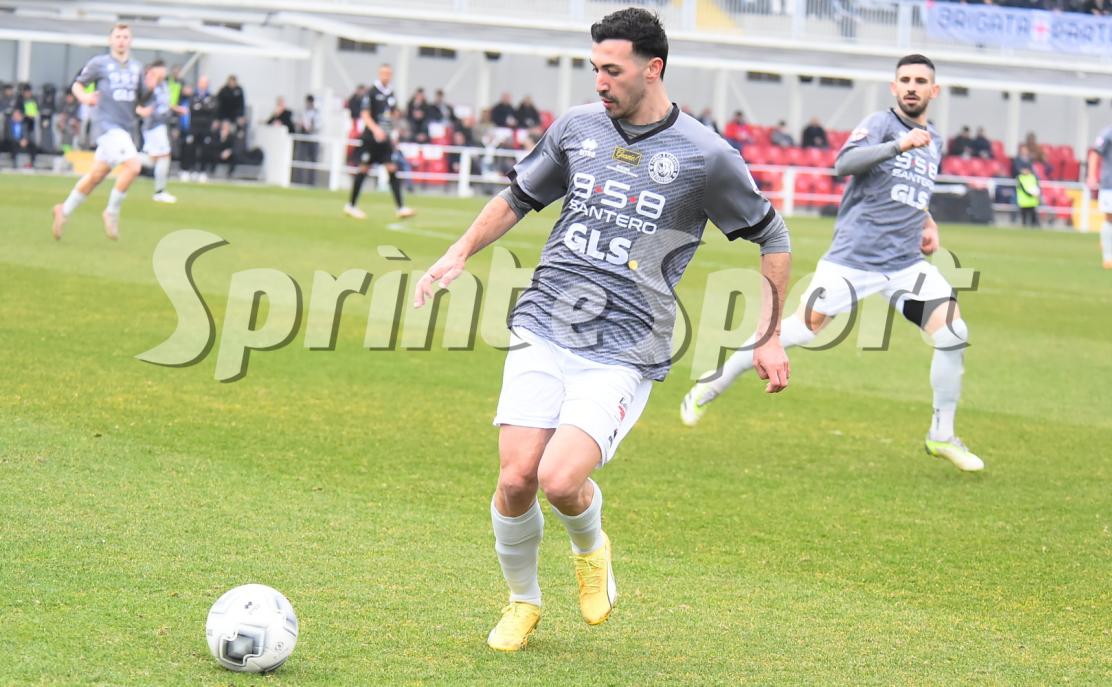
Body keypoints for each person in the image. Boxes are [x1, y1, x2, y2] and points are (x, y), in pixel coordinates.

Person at [413, 7, 791, 652]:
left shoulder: (705, 156)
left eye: (612, 70)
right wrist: (458, 252)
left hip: (626, 343)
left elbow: (772, 235)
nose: (600, 82)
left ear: (653, 68)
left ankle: (591, 550)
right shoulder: (577, 127)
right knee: (515, 478)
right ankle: (523, 602)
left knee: (561, 480)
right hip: (545, 318)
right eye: (595, 68)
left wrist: (770, 334)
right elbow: (518, 197)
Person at [680, 54, 984, 473]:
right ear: (894, 87)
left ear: (934, 90)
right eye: (905, 80)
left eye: (920, 81)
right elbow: (843, 164)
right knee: (801, 331)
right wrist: (898, 144)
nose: (912, 87)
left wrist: (928, 222)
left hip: (905, 265)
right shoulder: (882, 125)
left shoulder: (934, 139)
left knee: (953, 333)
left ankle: (941, 435)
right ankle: (714, 383)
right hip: (853, 261)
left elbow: (912, 188)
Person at [51, 23, 153, 241]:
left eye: (125, 37)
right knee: (134, 166)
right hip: (106, 125)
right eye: (118, 36)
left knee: (96, 176)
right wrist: (85, 97)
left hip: (125, 127)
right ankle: (111, 211)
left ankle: (63, 210)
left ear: (131, 41)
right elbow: (77, 85)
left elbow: (140, 97)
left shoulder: (137, 67)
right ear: (110, 40)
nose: (121, 41)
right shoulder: (100, 63)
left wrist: (149, 90)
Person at [344, 64, 415, 219]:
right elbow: (365, 115)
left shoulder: (391, 93)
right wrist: (376, 130)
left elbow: (393, 114)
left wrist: (394, 131)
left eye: (389, 73)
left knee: (392, 168)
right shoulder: (371, 92)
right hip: (371, 139)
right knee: (363, 169)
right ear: (379, 74)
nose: (386, 76)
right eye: (384, 73)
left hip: (385, 140)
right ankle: (351, 205)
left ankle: (400, 208)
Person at [141, 60, 185, 203]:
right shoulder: (149, 84)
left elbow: (165, 103)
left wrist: (176, 108)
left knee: (153, 160)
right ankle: (159, 192)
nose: (164, 72)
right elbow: (141, 101)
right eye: (161, 69)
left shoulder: (164, 85)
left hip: (161, 124)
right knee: (164, 155)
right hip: (154, 125)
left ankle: (124, 156)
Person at [1088, 123, 1112, 269]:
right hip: (1110, 183)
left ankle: (1106, 240)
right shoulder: (1107, 133)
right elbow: (1095, 153)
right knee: (1110, 218)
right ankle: (1108, 257)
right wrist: (1091, 175)